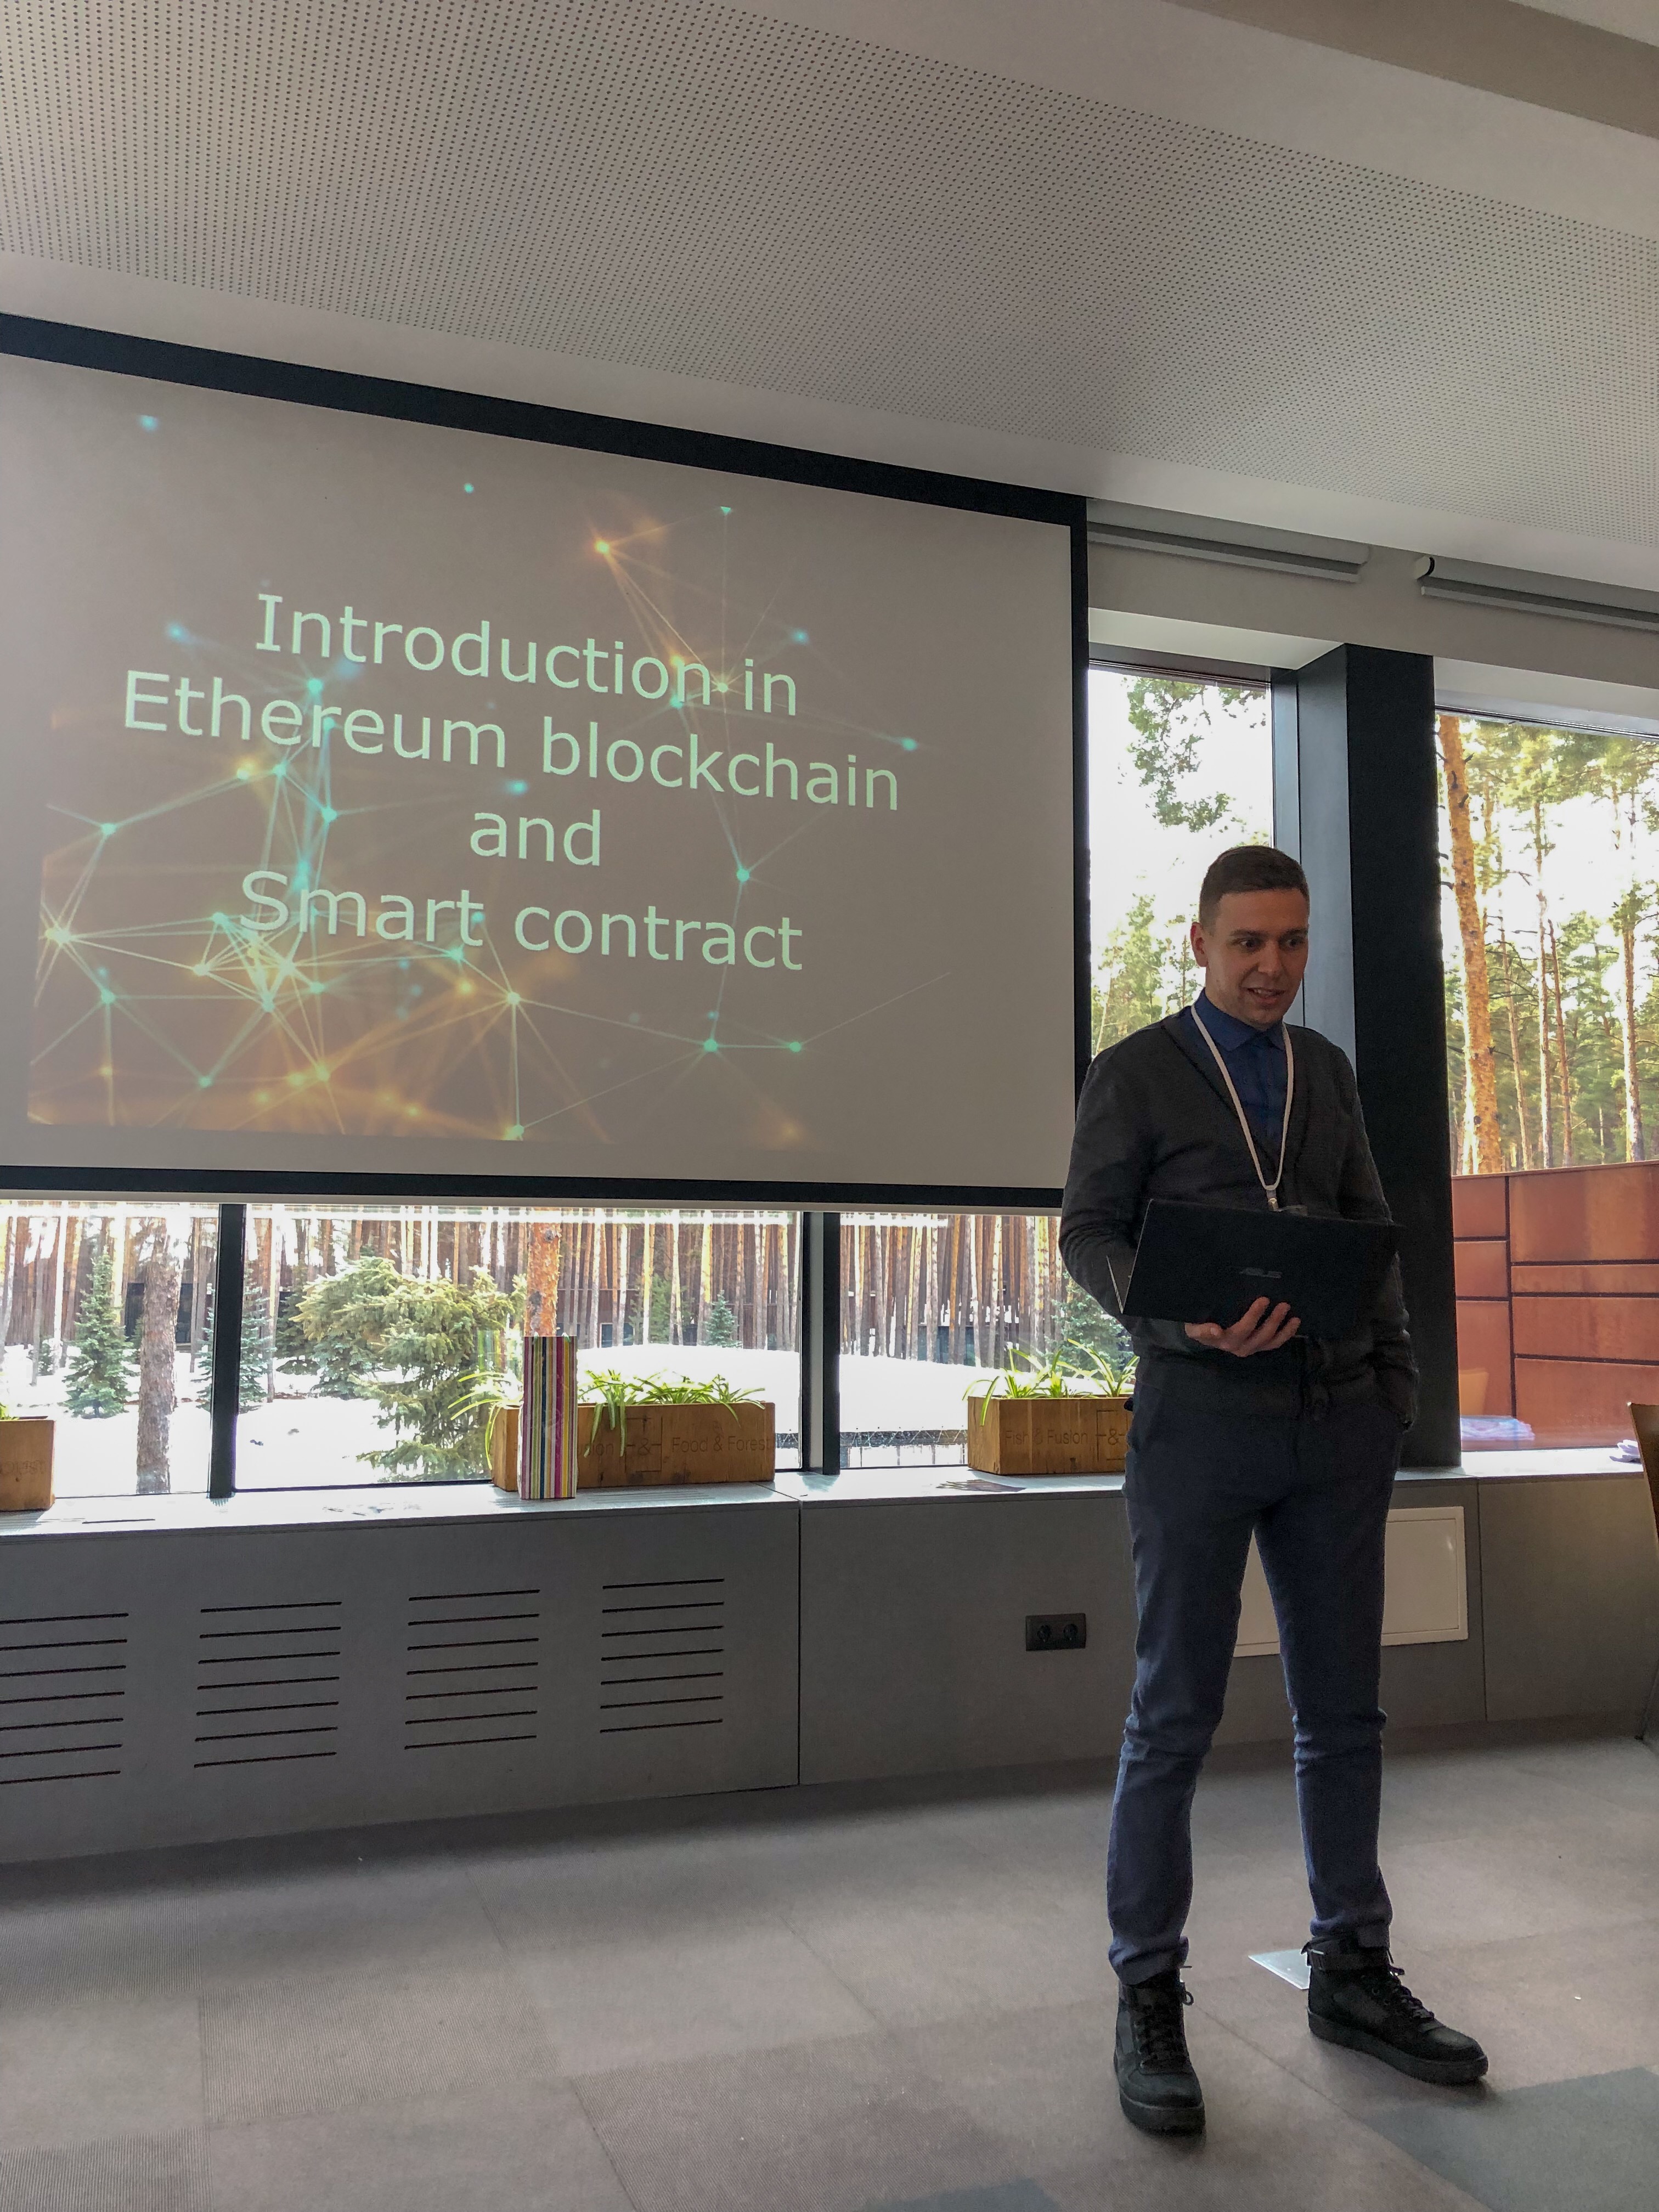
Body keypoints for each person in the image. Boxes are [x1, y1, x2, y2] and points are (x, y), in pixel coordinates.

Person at [1060, 843, 1486, 2139]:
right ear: (1200, 944)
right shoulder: (1135, 1070)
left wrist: (1392, 1390)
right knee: (1173, 1717)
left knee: (1344, 1712)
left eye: (1291, 942)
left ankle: (1351, 1968)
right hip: (1197, 1426)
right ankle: (1148, 1995)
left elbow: (1372, 1232)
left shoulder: (1327, 1072)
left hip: (1333, 1428)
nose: (1272, 966)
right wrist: (1180, 1325)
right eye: (1247, 942)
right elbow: (1089, 1233)